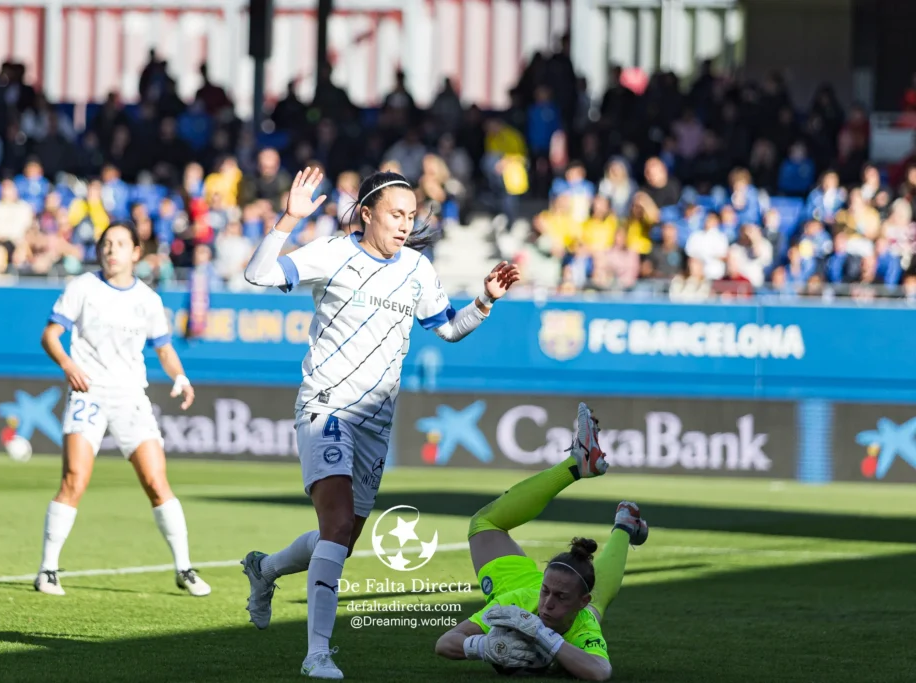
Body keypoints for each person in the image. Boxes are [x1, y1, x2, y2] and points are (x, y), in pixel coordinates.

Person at [242, 167, 521, 679]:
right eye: (396, 213)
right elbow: (259, 274)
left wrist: (484, 302)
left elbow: (448, 328)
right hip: (326, 405)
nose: (405, 223)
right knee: (338, 523)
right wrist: (288, 220)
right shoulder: (332, 252)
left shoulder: (417, 267)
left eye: (412, 216)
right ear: (367, 212)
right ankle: (317, 654)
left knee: (341, 537)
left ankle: (265, 569)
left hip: (376, 421)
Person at [34, 221, 210, 598]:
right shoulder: (82, 287)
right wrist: (68, 365)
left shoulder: (147, 300)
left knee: (157, 483)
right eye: (106, 244)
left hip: (131, 398)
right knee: (74, 480)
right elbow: (50, 335)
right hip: (89, 395)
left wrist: (180, 377)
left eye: (120, 244)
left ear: (135, 253)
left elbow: (163, 348)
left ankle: (184, 568)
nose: (111, 250)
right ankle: (47, 569)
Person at [434, 403, 649, 680]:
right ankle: (602, 495)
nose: (547, 604)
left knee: (595, 609)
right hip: (515, 586)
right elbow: (444, 643)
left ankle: (623, 522)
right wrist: (482, 646)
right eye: (547, 592)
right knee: (482, 523)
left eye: (560, 598)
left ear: (578, 603)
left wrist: (544, 637)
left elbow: (600, 672)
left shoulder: (582, 625)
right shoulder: (515, 606)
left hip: (558, 605)